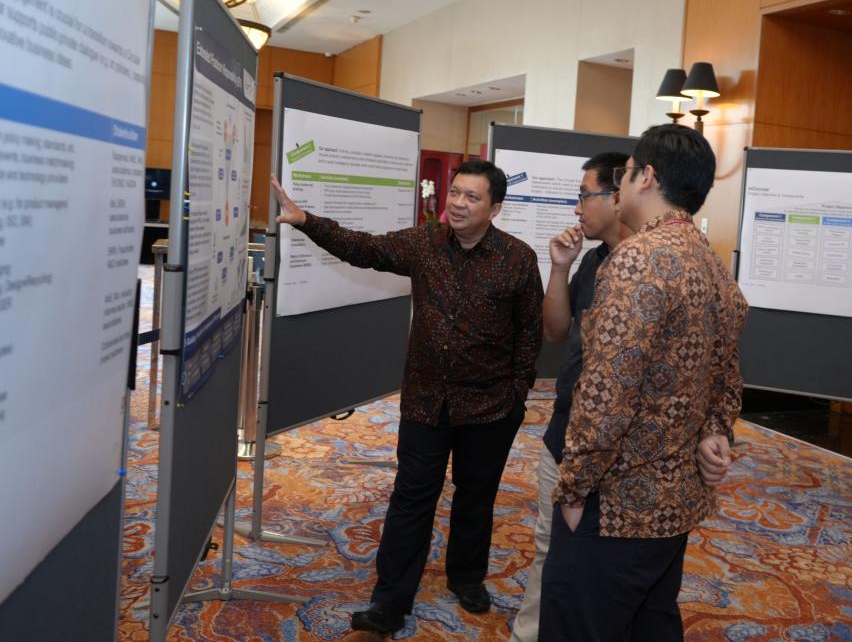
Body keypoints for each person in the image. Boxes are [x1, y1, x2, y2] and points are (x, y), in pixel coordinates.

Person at [270, 159, 543, 637]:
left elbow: (529, 330)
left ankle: (466, 577)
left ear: (495, 207)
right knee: (411, 498)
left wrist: (517, 393)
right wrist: (306, 220)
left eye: (472, 196)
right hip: (426, 401)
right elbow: (364, 248)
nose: (459, 203)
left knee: (476, 497)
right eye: (455, 192)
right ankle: (389, 602)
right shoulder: (424, 243)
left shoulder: (518, 258)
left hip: (490, 406)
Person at [538, 124, 748, 642]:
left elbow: (607, 393)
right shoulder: (710, 260)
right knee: (649, 624)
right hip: (674, 503)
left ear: (646, 176)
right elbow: (726, 373)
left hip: (616, 504)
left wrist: (574, 489)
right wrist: (716, 429)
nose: (622, 182)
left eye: (627, 172)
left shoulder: (638, 259)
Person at [508, 151, 632, 642]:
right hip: (564, 428)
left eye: (585, 195)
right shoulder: (594, 261)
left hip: (615, 440)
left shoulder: (646, 266)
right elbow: (556, 331)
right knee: (550, 544)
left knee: (605, 555)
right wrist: (560, 268)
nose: (577, 207)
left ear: (618, 197)